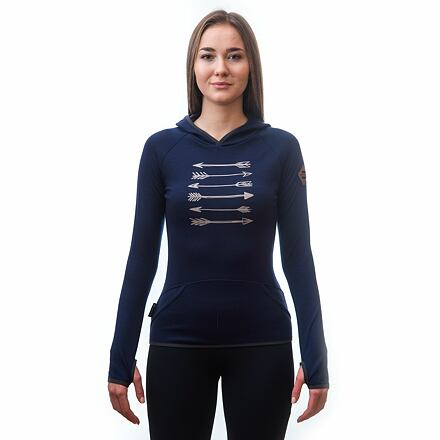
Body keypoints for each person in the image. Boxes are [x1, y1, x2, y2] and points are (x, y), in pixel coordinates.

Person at [107, 9, 329, 439]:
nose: (221, 68)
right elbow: (141, 258)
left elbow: (299, 260)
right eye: (208, 56)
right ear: (193, 66)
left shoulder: (282, 149)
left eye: (234, 56)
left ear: (251, 66)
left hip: (263, 341)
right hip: (177, 341)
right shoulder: (161, 149)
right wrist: (120, 358)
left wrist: (316, 360)